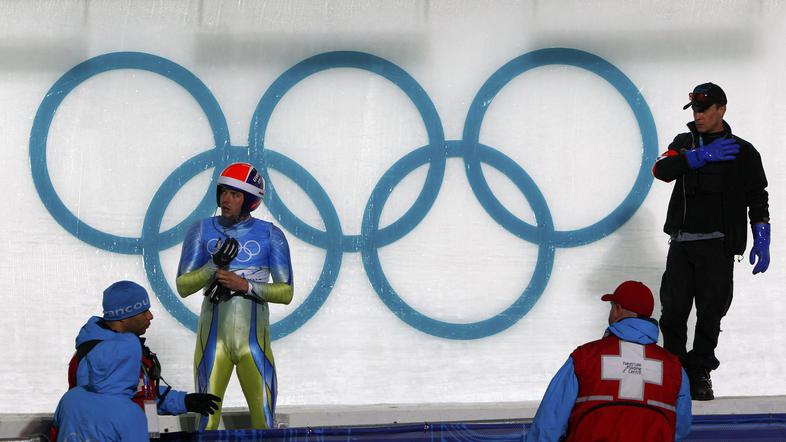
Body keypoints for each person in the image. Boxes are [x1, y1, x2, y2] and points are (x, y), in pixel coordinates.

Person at [652, 82, 770, 400]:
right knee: (674, 310)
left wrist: (762, 237)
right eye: (694, 109)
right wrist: (698, 157)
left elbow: (757, 197)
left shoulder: (743, 152)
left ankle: (700, 371)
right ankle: (675, 371)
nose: (698, 114)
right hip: (682, 243)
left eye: (704, 109)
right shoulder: (685, 142)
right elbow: (660, 169)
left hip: (717, 248)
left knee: (711, 312)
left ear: (721, 109)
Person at [176, 162, 294, 430]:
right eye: (223, 192)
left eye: (235, 194)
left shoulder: (270, 235)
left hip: (253, 346)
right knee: (205, 424)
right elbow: (183, 286)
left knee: (264, 422)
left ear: (250, 200)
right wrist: (212, 266)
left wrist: (246, 286)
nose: (225, 199)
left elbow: (286, 292)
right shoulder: (201, 230)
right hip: (212, 346)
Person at [53, 280, 220, 440]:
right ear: (123, 316)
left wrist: (183, 401)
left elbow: (140, 391)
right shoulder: (100, 358)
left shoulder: (125, 349)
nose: (150, 316)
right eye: (143, 311)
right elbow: (94, 418)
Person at [526, 281, 691, 442]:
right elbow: (680, 430)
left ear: (618, 309)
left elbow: (549, 424)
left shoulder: (585, 357)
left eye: (612, 306)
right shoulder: (674, 368)